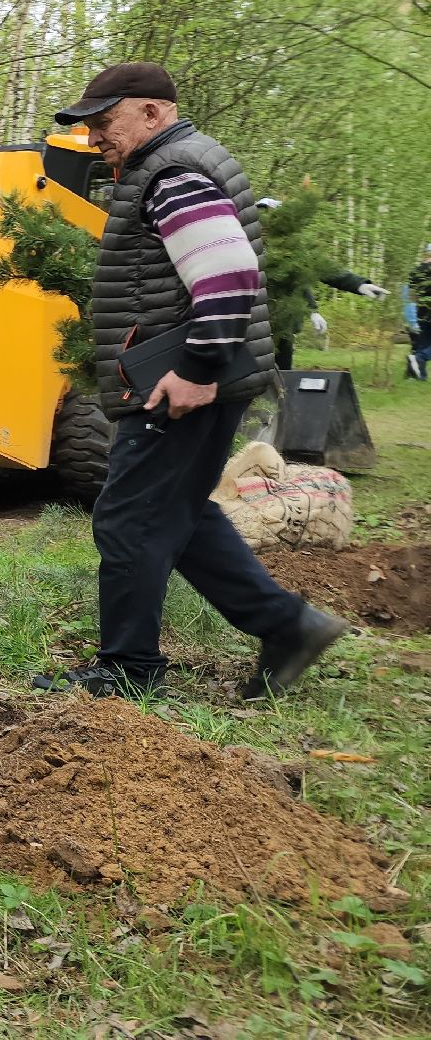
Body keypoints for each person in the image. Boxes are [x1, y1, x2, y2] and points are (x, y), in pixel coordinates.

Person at [34, 63, 347, 700]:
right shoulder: (173, 164)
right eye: (89, 124)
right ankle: (289, 627)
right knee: (177, 514)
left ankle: (129, 668)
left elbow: (228, 274)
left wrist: (199, 369)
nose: (94, 135)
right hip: (190, 375)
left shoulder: (172, 172)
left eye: (105, 121)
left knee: (127, 519)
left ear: (153, 113)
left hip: (182, 382)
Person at [252, 197, 388, 370]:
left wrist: (359, 285)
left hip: (283, 325)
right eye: (261, 216)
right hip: (249, 323)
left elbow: (317, 273)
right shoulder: (243, 246)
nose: (265, 222)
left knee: (282, 376)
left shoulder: (294, 249)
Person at [407, 247, 431, 380]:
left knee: (424, 344)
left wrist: (410, 317)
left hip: (420, 312)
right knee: (423, 351)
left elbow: (410, 295)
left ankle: (420, 377)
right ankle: (419, 358)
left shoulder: (415, 272)